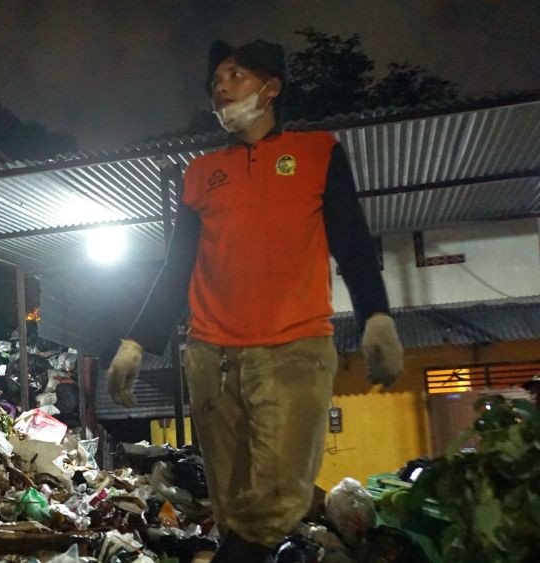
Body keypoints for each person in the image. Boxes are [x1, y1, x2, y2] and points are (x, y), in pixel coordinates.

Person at [106, 39, 404, 562]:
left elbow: (352, 242)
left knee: (275, 501)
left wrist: (376, 315)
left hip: (294, 351)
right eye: (215, 79)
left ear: (271, 88)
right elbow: (178, 266)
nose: (220, 86)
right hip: (211, 358)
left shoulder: (319, 154)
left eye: (236, 74)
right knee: (235, 504)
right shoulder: (200, 174)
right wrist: (135, 342)